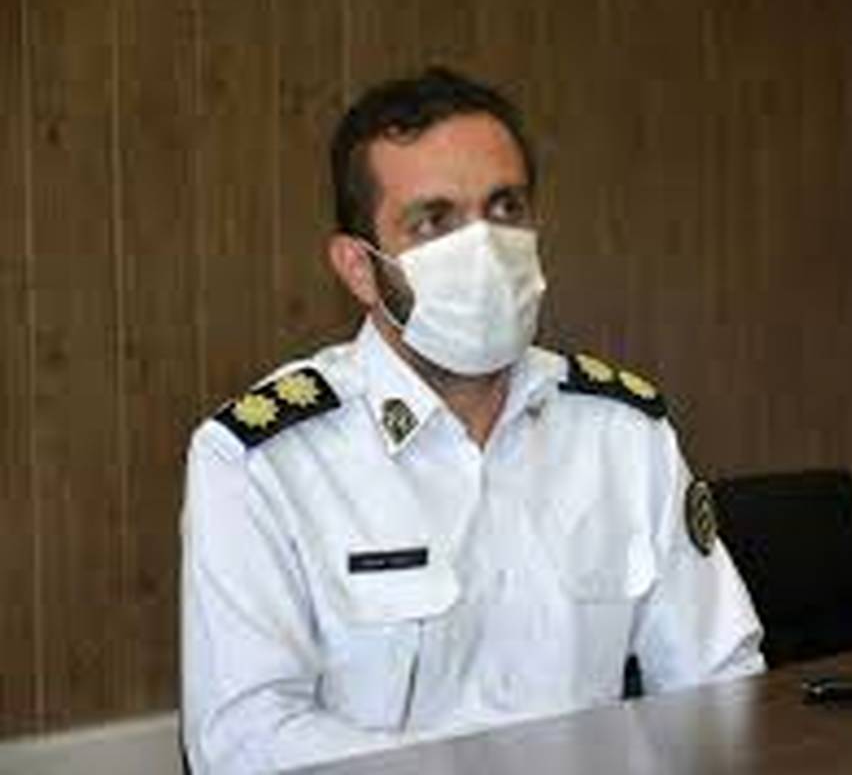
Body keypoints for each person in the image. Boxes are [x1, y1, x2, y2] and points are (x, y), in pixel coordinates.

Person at [180, 67, 764, 774]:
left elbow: (720, 681)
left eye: (505, 208)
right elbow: (244, 741)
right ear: (360, 268)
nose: (483, 249)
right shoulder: (263, 460)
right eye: (434, 222)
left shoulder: (621, 431)